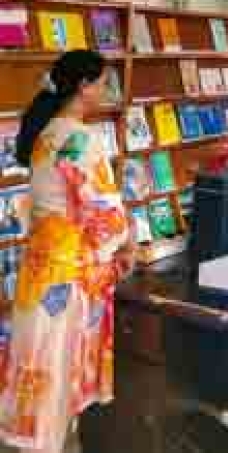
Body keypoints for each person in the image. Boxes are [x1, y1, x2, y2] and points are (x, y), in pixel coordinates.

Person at [0, 51, 133, 453]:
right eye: (102, 82)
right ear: (83, 86)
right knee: (58, 372)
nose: (105, 90)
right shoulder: (80, 138)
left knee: (34, 365)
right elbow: (105, 212)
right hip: (68, 273)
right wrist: (128, 244)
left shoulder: (45, 132)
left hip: (38, 269)